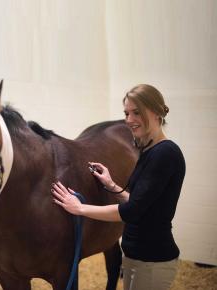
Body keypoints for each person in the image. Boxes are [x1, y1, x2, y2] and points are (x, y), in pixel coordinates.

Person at [51, 84, 186, 290]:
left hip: (153, 261)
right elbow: (138, 201)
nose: (129, 120)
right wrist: (111, 184)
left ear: (156, 112)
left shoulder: (165, 154)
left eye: (136, 112)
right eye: (126, 113)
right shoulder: (148, 150)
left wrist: (79, 208)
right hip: (135, 256)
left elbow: (132, 211)